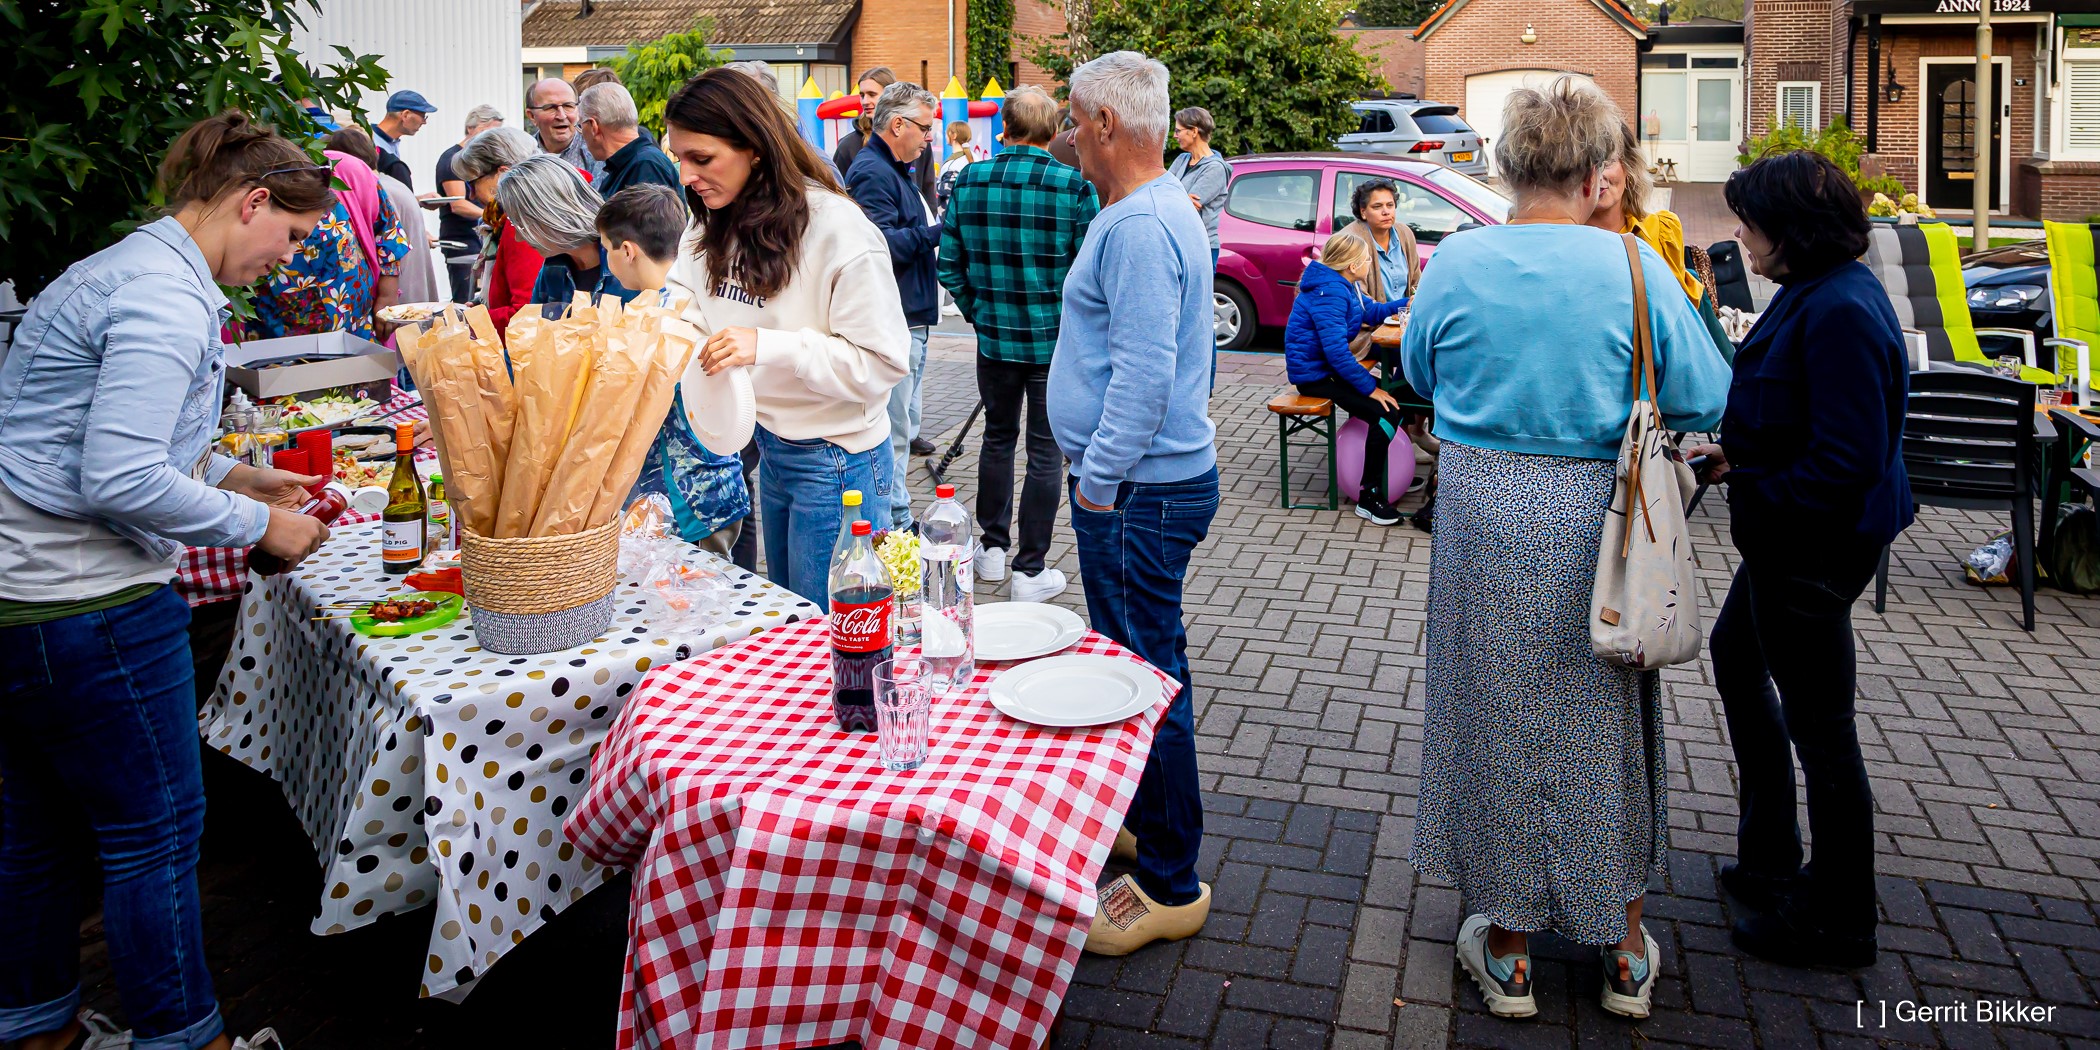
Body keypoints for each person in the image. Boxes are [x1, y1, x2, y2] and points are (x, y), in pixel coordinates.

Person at [1398, 76, 1729, 1021]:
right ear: (1597, 177)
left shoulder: (1459, 261)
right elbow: (1707, 394)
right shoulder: (1634, 266)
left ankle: (1509, 953)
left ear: (1508, 172)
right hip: (1603, 519)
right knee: (1607, 718)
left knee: (1493, 714)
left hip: (1485, 514)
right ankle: (1622, 948)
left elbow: (1420, 370)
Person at [0, 111, 333, 1050]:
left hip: (23, 593)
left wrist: (232, 474)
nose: (288, 260)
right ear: (251, 201)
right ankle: (185, 1036)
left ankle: (36, 1026)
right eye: (291, 235)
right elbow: (118, 477)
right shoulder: (164, 299)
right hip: (91, 602)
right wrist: (260, 524)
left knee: (36, 833)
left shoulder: (123, 269)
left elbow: (87, 437)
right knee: (154, 835)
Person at [1690, 150, 1912, 971]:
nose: (1741, 238)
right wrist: (1739, 456)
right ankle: (1770, 854)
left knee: (1824, 733)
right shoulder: (1818, 291)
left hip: (1812, 549)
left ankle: (1839, 917)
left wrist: (1758, 483)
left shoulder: (1841, 309)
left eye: (1750, 225)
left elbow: (1847, 460)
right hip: (1790, 540)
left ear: (1793, 230)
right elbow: (1802, 419)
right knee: (1736, 658)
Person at [1050, 50, 1220, 957]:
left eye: (1077, 120)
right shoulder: (1153, 209)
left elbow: (1147, 377)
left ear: (1108, 124)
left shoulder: (1142, 225)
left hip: (1138, 493)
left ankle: (1169, 881)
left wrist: (1098, 480)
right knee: (1144, 668)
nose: (1070, 135)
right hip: (1145, 486)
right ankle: (1150, 827)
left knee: (1150, 679)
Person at [661, 69, 908, 607]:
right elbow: (680, 300)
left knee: (834, 626)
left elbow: (883, 362)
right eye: (678, 157)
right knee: (798, 620)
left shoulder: (837, 228)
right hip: (768, 442)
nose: (686, 176)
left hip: (837, 458)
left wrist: (770, 346)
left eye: (701, 158)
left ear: (754, 149)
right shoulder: (708, 220)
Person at [938, 85, 1099, 603]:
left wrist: (980, 313)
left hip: (996, 338)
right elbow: (1089, 275)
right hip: (1054, 342)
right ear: (1054, 132)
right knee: (1046, 451)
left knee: (997, 439)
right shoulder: (1074, 185)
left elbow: (949, 264)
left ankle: (990, 550)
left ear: (1003, 128)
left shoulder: (971, 179)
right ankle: (1030, 570)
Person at [597, 184, 752, 559]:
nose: (607, 261)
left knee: (695, 588)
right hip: (717, 485)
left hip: (683, 501)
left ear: (628, 251)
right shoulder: (705, 295)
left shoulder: (658, 320)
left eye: (606, 250)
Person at [846, 80, 944, 531]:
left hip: (910, 315)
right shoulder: (873, 171)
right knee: (894, 429)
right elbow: (879, 244)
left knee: (903, 424)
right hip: (896, 319)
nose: (929, 137)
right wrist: (939, 232)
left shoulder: (894, 169)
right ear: (898, 124)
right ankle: (893, 522)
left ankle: (895, 516)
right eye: (924, 127)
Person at [1285, 232, 1410, 526]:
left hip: (1327, 370)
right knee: (1387, 412)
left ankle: (1383, 474)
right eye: (1367, 259)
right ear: (1353, 266)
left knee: (1392, 404)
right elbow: (1336, 353)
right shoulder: (1330, 293)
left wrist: (1410, 302)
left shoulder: (1344, 284)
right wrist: (1369, 389)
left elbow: (1373, 312)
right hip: (1315, 376)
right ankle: (1369, 496)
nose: (1369, 263)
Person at [1588, 122, 1735, 360]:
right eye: (1585, 164)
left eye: (1607, 162)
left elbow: (1679, 322)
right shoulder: (1564, 238)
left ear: (1628, 167)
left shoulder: (1661, 230)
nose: (1597, 175)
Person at [244, 148, 410, 341]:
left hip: (356, 328)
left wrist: (387, 296)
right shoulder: (249, 177)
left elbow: (389, 231)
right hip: (277, 334)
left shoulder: (343, 170)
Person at [451, 125, 548, 336]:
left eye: (472, 183)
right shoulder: (528, 211)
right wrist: (482, 306)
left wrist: (473, 321)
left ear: (502, 174)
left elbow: (525, 312)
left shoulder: (521, 221)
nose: (471, 195)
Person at [326, 127, 439, 306]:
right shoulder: (392, 185)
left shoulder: (376, 190)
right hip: (412, 293)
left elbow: (389, 246)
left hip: (397, 300)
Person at [500, 154, 625, 315]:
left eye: (522, 225)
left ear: (552, 212)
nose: (519, 237)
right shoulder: (552, 267)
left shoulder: (627, 256)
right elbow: (533, 326)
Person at [832, 67, 936, 206]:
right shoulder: (848, 146)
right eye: (862, 95)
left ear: (889, 97)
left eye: (872, 94)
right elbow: (838, 196)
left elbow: (928, 191)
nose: (865, 101)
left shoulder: (918, 141)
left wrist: (926, 218)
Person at [435, 104, 504, 300]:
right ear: (470, 128)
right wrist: (495, 218)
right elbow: (458, 204)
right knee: (464, 300)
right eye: (488, 132)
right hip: (462, 243)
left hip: (477, 241)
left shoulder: (478, 160)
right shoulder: (453, 159)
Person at [579, 83, 680, 198]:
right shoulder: (636, 163)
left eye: (580, 125)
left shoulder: (645, 166)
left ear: (593, 126)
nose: (581, 133)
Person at [1333, 177, 1419, 304]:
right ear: (1363, 212)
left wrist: (1414, 303)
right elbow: (1358, 298)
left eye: (1390, 205)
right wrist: (1395, 310)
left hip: (1404, 314)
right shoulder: (1350, 241)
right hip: (1371, 315)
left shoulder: (1405, 233)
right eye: (1377, 206)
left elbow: (1416, 283)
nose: (1386, 212)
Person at [1167, 107, 1230, 265]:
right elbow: (1160, 190)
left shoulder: (1215, 168)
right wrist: (1180, 198)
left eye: (1178, 130)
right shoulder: (1181, 159)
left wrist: (1171, 196)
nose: (1174, 135)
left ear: (1194, 131)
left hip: (1200, 247)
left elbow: (1187, 209)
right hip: (1177, 243)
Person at [525, 77, 604, 184]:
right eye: (550, 107)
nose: (562, 116)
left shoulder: (597, 152)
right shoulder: (523, 154)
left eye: (568, 106)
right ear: (531, 116)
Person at [370, 89, 435, 189]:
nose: (424, 122)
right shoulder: (368, 141)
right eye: (423, 117)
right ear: (405, 115)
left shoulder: (391, 142)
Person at [933, 120, 975, 216]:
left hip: (954, 215)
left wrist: (935, 181)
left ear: (954, 135)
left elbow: (946, 191)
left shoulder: (952, 164)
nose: (945, 136)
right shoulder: (976, 157)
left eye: (947, 133)